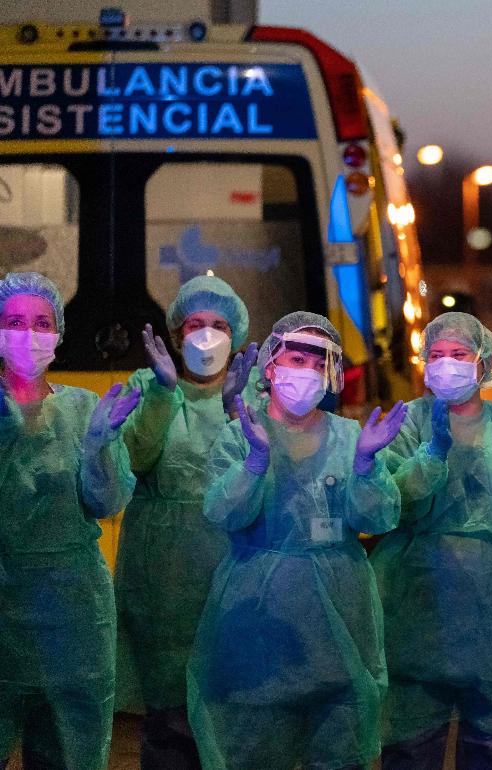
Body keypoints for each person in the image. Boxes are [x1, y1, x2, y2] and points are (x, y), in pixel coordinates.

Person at [187, 311, 407, 770]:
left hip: (341, 631)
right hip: (258, 630)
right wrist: (255, 461)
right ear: (271, 365)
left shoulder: (351, 438)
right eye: (296, 357)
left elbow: (378, 516)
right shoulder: (241, 436)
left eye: (317, 361)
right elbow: (222, 512)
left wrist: (365, 465)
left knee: (340, 753)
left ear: (330, 373)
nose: (305, 370)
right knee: (253, 753)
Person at [374, 311, 492, 768]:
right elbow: (386, 503)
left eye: (458, 354)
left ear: (484, 363)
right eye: (436, 355)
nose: (446, 364)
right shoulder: (406, 422)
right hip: (416, 596)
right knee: (411, 738)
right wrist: (432, 455)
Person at [114, 275, 257, 769]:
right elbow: (129, 462)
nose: (207, 335)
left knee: (232, 718)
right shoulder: (151, 386)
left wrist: (237, 410)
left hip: (235, 573)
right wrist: (160, 394)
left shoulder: (255, 394)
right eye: (195, 324)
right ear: (176, 335)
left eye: (219, 325)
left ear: (236, 335)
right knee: (170, 720)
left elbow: (267, 480)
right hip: (163, 583)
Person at [0, 272, 139, 770]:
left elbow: (107, 502)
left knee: (71, 750)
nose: (29, 336)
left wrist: (101, 446)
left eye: (41, 323)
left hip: (75, 610)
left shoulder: (81, 409)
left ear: (59, 333)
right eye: (14, 322)